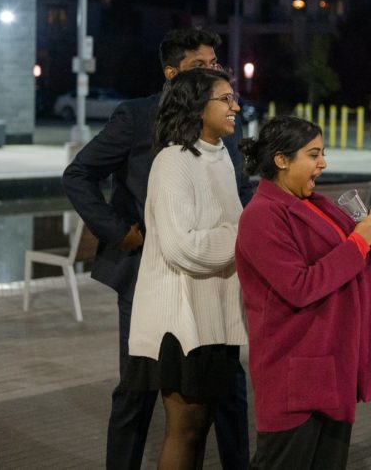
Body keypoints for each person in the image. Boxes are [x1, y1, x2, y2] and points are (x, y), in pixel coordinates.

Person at [62, 28, 252, 470]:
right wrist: (118, 230)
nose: (212, 73)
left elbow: (239, 195)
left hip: (211, 283)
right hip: (146, 274)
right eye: (199, 67)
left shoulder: (220, 135)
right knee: (138, 388)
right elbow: (78, 175)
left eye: (215, 65)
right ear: (172, 73)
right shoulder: (137, 119)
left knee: (227, 391)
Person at [235, 116, 371, 469]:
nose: (323, 163)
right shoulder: (261, 216)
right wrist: (358, 241)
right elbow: (300, 287)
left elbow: (352, 268)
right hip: (294, 374)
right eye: (313, 154)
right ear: (281, 159)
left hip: (331, 367)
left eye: (322, 153)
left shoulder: (314, 203)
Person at [122, 67, 247, 468]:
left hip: (215, 318)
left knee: (203, 426)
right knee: (184, 431)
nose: (236, 107)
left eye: (234, 98)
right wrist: (240, 238)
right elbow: (183, 247)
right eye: (225, 99)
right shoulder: (173, 161)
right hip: (180, 322)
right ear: (197, 107)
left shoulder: (221, 155)